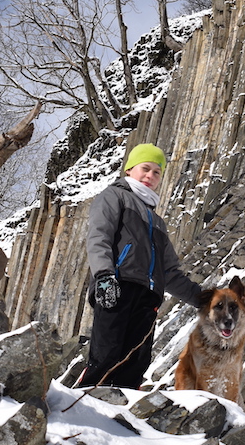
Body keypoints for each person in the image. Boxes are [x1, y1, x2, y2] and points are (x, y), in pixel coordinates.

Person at [80, 143, 202, 389]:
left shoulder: (157, 222)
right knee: (107, 354)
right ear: (129, 170)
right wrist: (104, 275)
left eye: (157, 172)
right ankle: (85, 406)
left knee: (136, 361)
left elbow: (170, 272)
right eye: (145, 168)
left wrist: (205, 299)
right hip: (116, 287)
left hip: (148, 297)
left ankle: (119, 419)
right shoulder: (113, 196)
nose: (150, 176)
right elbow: (99, 237)